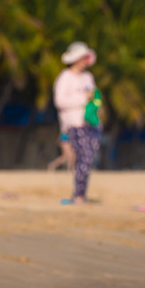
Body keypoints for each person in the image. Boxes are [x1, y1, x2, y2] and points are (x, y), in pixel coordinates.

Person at [53, 42, 102, 204]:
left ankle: (81, 194)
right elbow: (59, 101)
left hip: (91, 124)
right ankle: (78, 195)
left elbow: (94, 98)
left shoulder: (88, 77)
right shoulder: (65, 77)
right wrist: (83, 99)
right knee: (85, 158)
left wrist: (97, 107)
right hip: (74, 125)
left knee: (88, 160)